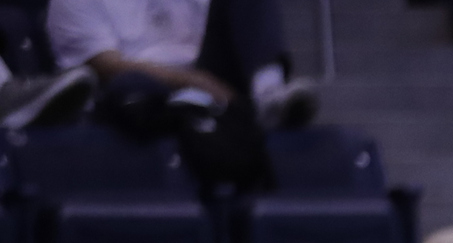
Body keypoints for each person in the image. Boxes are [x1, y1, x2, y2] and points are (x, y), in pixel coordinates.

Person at [49, 0, 314, 189]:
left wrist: (204, 81)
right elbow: (106, 67)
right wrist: (192, 81)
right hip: (141, 93)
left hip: (206, 77)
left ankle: (268, 94)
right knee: (129, 84)